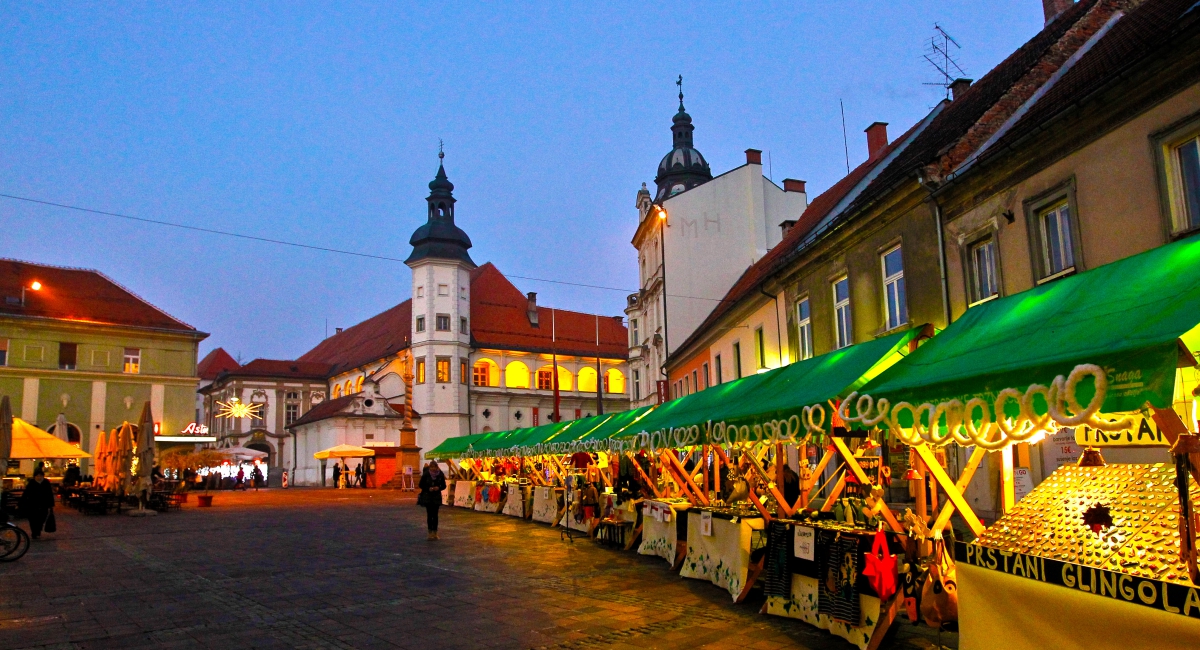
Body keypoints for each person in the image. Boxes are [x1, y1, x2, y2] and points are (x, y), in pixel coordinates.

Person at [19, 466, 56, 539]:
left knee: (42, 518)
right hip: (32, 505)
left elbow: (49, 494)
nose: (39, 477)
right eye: (37, 476)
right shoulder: (32, 483)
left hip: (43, 505)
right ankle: (34, 532)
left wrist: (51, 504)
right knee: (32, 519)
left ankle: (38, 529)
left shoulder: (46, 482)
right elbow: (26, 493)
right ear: (34, 476)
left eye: (40, 476)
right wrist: (21, 503)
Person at [418, 461, 447, 540]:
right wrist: (428, 488)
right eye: (432, 468)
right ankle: (430, 532)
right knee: (430, 515)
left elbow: (444, 485)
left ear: (437, 467)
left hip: (436, 497)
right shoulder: (426, 474)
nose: (433, 469)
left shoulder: (440, 474)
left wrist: (439, 488)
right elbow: (420, 485)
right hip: (428, 497)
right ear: (430, 468)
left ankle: (435, 532)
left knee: (435, 515)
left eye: (434, 467)